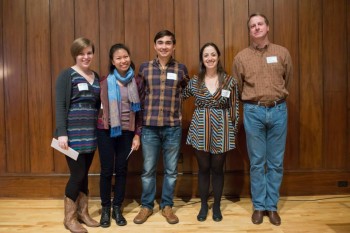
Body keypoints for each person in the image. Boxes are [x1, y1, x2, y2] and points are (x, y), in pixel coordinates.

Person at [232, 13, 293, 226]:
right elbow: (238, 87)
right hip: (253, 112)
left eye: (260, 24)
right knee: (257, 162)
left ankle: (272, 206)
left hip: (278, 111)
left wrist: (276, 98)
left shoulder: (282, 52)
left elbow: (288, 79)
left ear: (267, 27)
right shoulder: (241, 57)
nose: (256, 28)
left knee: (275, 162)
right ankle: (259, 206)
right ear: (249, 31)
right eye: (252, 26)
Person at [133, 30, 189, 225]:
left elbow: (186, 91)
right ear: (154, 46)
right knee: (148, 170)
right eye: (160, 42)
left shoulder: (181, 69)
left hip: (173, 127)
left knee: (171, 170)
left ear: (174, 46)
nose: (164, 46)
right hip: (149, 128)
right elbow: (139, 95)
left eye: (168, 43)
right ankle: (146, 206)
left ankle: (167, 206)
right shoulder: (144, 68)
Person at [182, 42, 239, 222]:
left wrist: (233, 131)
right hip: (200, 127)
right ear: (202, 59)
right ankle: (204, 205)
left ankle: (217, 206)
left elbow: (234, 107)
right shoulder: (194, 81)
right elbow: (179, 97)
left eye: (213, 54)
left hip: (222, 128)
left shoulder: (229, 81)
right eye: (206, 55)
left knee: (217, 168)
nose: (210, 58)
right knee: (204, 168)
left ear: (218, 56)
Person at [55, 37, 101, 232]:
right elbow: (60, 106)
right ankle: (70, 218)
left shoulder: (96, 76)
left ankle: (83, 213)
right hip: (72, 135)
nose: (86, 56)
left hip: (91, 134)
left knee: (84, 175)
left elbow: (98, 103)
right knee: (78, 174)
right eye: (82, 53)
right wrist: (62, 134)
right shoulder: (67, 75)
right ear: (75, 54)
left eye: (89, 52)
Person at [97, 43, 142, 227]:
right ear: (112, 62)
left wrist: (137, 134)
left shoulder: (137, 82)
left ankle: (117, 208)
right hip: (106, 131)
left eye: (125, 56)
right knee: (107, 171)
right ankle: (105, 210)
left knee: (122, 170)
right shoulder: (103, 81)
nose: (123, 60)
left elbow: (141, 112)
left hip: (127, 131)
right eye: (118, 58)